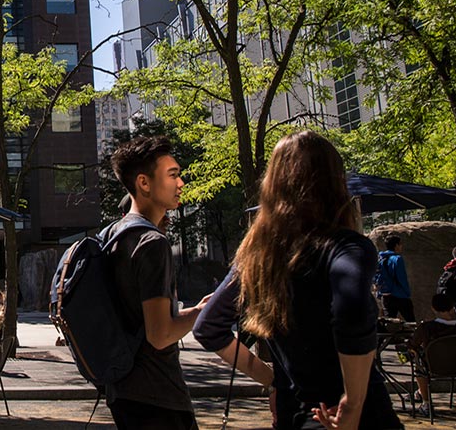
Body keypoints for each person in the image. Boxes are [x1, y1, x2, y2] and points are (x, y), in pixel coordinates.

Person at [194, 131, 403, 430]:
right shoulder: (345, 247)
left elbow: (208, 326)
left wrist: (272, 380)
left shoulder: (257, 258)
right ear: (334, 183)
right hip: (360, 418)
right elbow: (353, 310)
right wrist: (353, 402)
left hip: (297, 416)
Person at [88, 135, 209, 429]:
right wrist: (203, 310)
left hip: (122, 391)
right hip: (158, 395)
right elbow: (160, 334)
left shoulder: (111, 236)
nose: (180, 184)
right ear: (144, 183)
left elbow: (140, 320)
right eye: (172, 175)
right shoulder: (152, 243)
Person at [407, 294, 456, 416]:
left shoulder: (426, 328)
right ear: (452, 307)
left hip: (433, 367)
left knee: (418, 361)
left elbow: (412, 345)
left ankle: (426, 402)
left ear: (433, 308)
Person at [377, 236, 415, 322]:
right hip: (400, 295)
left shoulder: (380, 259)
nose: (401, 246)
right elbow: (402, 278)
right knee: (411, 322)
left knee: (390, 324)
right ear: (396, 245)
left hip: (386, 296)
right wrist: (407, 293)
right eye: (400, 244)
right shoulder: (397, 259)